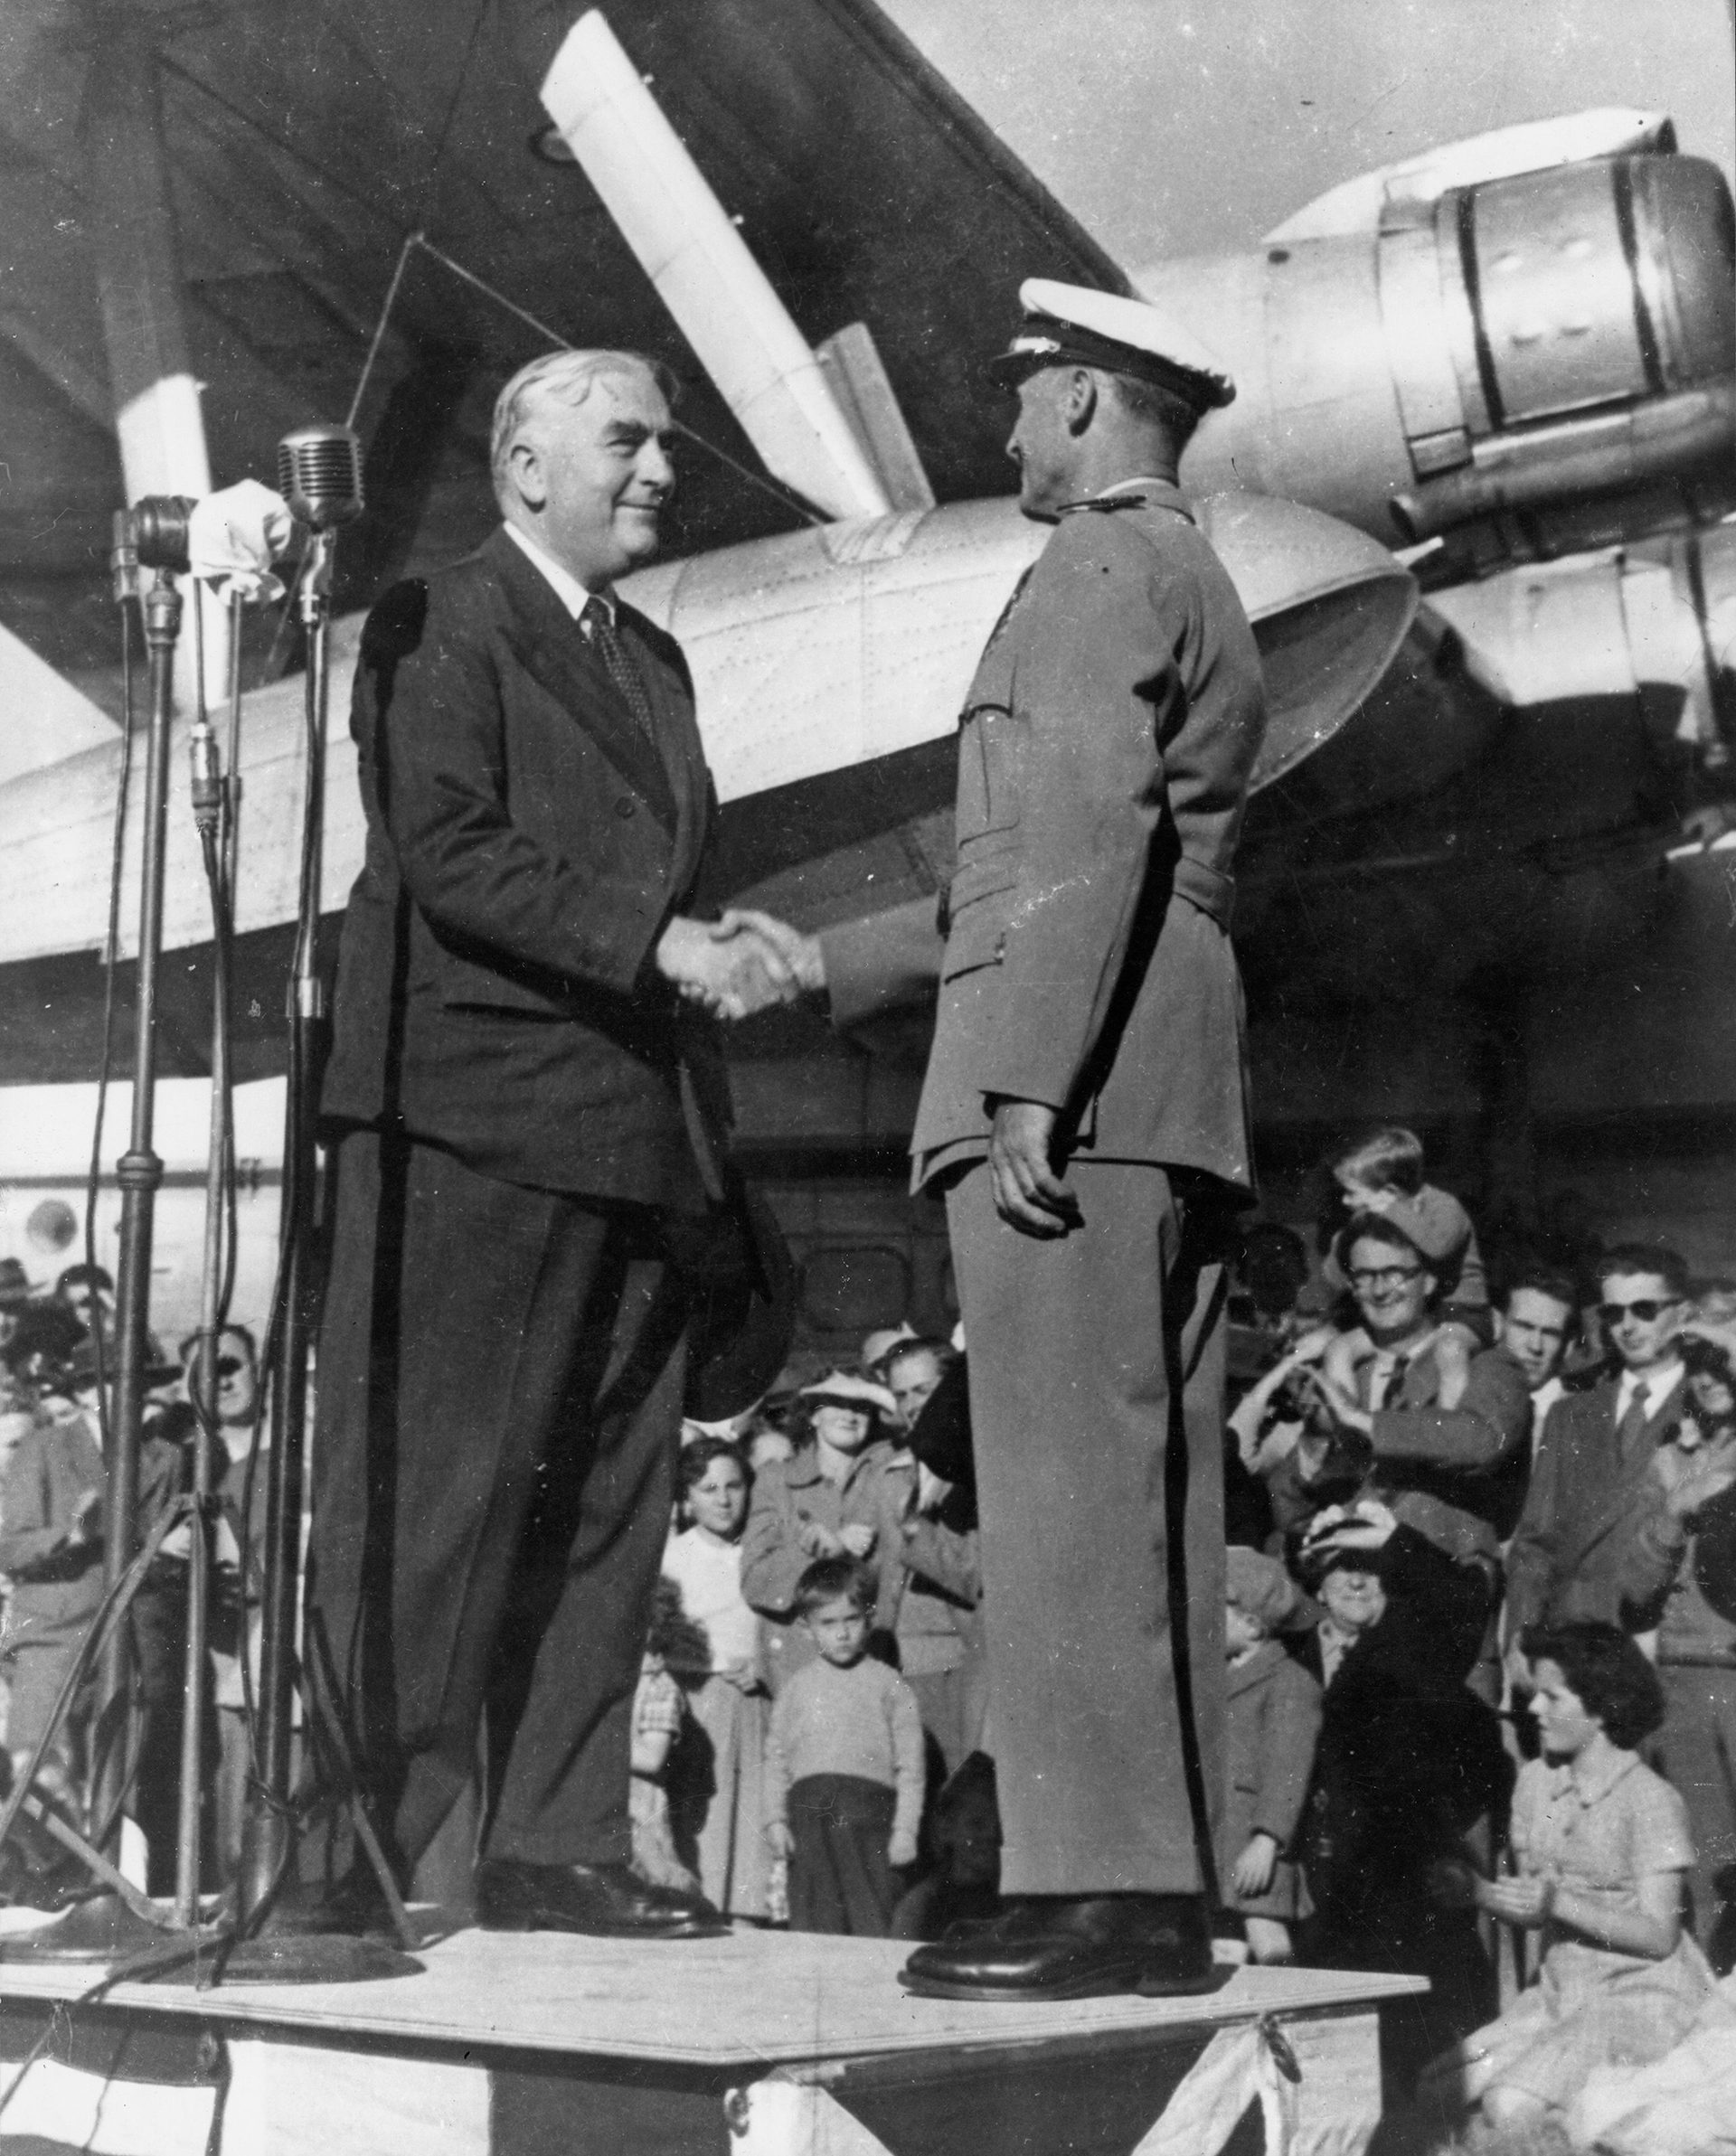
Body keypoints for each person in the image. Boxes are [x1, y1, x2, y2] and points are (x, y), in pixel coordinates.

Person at [726, 280, 1264, 2000]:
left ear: (1094, 404)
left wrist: (1026, 1074)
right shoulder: (1190, 573)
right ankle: (1153, 1885)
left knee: (1061, 1492)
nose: (1008, 431)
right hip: (1159, 1089)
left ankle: (1096, 1890)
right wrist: (826, 959)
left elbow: (1082, 828)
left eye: (1029, 401)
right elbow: (1030, 871)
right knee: (1144, 1489)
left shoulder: (1095, 565)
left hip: (1073, 1091)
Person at [301, 347, 803, 1941]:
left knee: (608, 1509)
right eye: (625, 442)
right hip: (473, 1125)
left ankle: (556, 1843)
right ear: (523, 465)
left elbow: (628, 883)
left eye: (665, 444)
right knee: (433, 1508)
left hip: (631, 1141)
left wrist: (718, 939)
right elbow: (446, 848)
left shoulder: (654, 660)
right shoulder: (440, 619)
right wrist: (665, 947)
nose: (661, 469)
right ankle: (343, 1857)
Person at [1424, 1623, 1715, 2135]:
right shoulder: (1538, 1784)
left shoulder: (1649, 1799)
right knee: (1436, 2091)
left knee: (1509, 2105)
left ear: (1602, 1708)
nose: (1533, 1710)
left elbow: (1659, 1935)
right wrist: (1480, 1892)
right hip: (1561, 1994)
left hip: (1640, 1997)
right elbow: (1537, 1909)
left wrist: (1556, 1901)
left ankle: (1604, 2119)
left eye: (1551, 1696)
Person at [1505, 1246, 1693, 1671]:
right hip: (1566, 1650)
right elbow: (1535, 1544)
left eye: (1644, 1309)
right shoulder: (1570, 1415)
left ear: (1683, 1314)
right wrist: (1519, 1640)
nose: (1626, 1326)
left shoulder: (1706, 1410)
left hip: (1651, 1650)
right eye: (1613, 1313)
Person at [1619, 1324, 1736, 1965]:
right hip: (1685, 1680)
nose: (1709, 1376)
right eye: (1695, 1362)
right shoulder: (1670, 1462)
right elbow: (1633, 1585)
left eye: (1723, 1360)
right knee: (1707, 1868)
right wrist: (1677, 1511)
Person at [764, 1557, 923, 1935]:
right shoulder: (796, 1688)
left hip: (868, 1817)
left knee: (872, 1914)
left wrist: (905, 1831)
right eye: (828, 1623)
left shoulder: (890, 1685)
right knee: (813, 1918)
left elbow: (911, 1766)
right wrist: (774, 1819)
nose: (841, 1633)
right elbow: (775, 1759)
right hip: (808, 1815)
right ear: (807, 1629)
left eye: (850, 1620)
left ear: (868, 1618)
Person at [741, 1372, 910, 1691]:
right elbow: (756, 1580)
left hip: (873, 1656)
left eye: (862, 1406)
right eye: (838, 1403)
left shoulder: (891, 1473)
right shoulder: (776, 1482)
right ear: (815, 1414)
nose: (850, 1414)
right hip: (798, 1663)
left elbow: (895, 1573)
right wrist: (820, 1553)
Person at [662, 1438, 770, 1919]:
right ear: (688, 1498)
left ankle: (749, 1913)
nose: (724, 1500)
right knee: (705, 1814)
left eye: (734, 1486)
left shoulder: (763, 1553)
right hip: (697, 1701)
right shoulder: (673, 1558)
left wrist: (762, 1665)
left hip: (757, 1699)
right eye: (708, 1489)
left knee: (753, 1815)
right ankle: (698, 1906)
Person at [1219, 1547, 1320, 1965]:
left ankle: (1288, 2023)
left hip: (1259, 1847)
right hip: (1222, 1842)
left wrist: (1267, 1840)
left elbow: (1288, 1770)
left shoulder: (1289, 1683)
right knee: (1225, 1942)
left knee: (1267, 1936)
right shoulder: (1219, 1678)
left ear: (1252, 1625)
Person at [1495, 1266, 1580, 1461]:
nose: (1535, 1346)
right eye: (1524, 1327)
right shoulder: (1471, 1399)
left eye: (1550, 1333)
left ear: (1567, 1346)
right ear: (1497, 1325)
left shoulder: (1582, 1422)